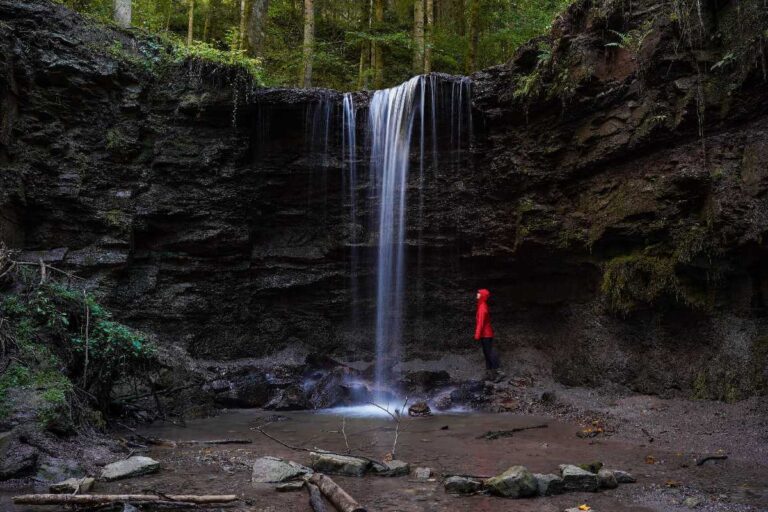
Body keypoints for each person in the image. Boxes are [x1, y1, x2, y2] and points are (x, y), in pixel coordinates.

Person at [474, 288, 505, 382]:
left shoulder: (482, 307)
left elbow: (481, 323)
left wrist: (477, 334)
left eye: (479, 293)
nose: (477, 294)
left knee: (490, 353)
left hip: (486, 334)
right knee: (486, 353)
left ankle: (499, 372)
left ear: (483, 296)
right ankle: (490, 374)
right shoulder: (481, 305)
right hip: (485, 334)